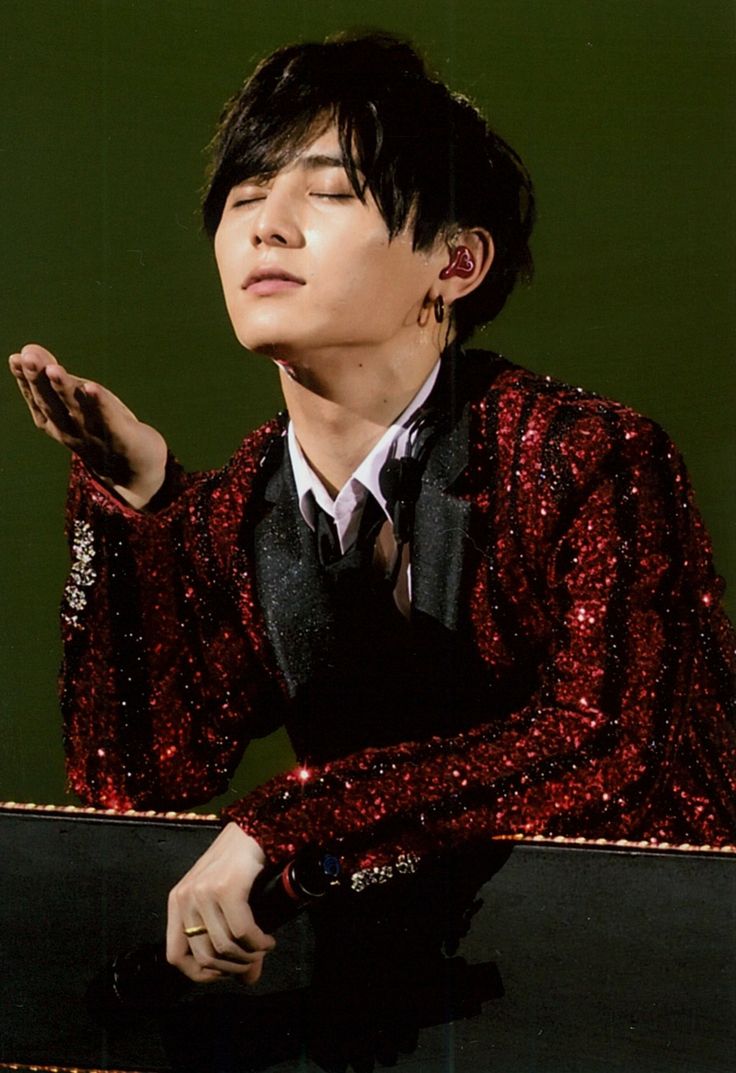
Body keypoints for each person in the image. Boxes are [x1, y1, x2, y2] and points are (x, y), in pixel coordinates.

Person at [8, 32, 736, 991]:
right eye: (243, 198)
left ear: (457, 261)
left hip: (651, 976)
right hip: (409, 994)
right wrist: (129, 501)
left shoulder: (588, 456)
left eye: (330, 192)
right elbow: (136, 782)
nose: (266, 226)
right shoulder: (240, 512)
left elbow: (605, 747)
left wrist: (287, 823)